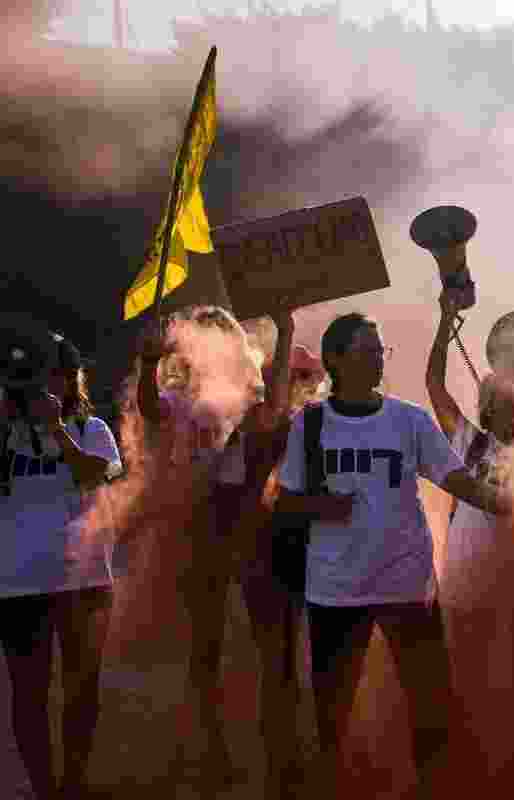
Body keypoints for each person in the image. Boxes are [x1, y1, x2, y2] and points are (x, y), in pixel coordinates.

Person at [273, 312, 509, 796]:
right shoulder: (310, 425)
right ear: (337, 359)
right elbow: (287, 502)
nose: (379, 359)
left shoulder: (409, 419)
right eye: (368, 351)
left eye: (382, 351)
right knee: (333, 716)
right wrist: (322, 505)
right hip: (336, 592)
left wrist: (504, 503)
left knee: (431, 708)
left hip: (408, 587)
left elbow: (455, 478)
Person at [135, 304, 264, 787]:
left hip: (247, 534)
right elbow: (150, 407)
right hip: (195, 535)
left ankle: (238, 748)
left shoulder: (251, 397)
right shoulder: (178, 399)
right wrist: (149, 364)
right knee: (203, 650)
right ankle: (204, 752)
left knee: (242, 649)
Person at [426, 290, 514, 786]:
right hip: (469, 589)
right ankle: (474, 773)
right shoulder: (472, 444)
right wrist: (444, 322)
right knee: (470, 687)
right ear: (488, 408)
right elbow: (433, 385)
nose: (512, 405)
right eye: (501, 400)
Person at [0, 330, 121, 800]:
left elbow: (97, 475)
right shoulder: (5, 430)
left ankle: (74, 783)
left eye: (56, 373)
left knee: (81, 688)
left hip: (82, 579)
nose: (44, 385)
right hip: (18, 583)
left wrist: (56, 430)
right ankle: (44, 789)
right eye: (35, 375)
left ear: (72, 379)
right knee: (28, 696)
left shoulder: (92, 429)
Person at [235, 307, 327, 800]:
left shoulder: (322, 421)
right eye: (299, 376)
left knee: (313, 670)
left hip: (317, 557)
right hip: (266, 558)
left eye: (312, 377)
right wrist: (286, 326)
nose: (308, 385)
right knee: (278, 670)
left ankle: (308, 768)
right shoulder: (257, 418)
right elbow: (270, 420)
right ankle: (281, 775)